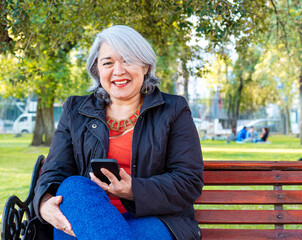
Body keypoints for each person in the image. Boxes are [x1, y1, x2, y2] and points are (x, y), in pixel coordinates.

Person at [33, 25, 204, 240]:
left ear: (145, 66)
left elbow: (188, 181)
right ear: (97, 70)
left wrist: (133, 190)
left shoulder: (173, 110)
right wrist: (44, 203)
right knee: (74, 186)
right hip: (85, 216)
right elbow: (55, 170)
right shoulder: (75, 111)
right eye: (108, 63)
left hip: (155, 218)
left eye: (128, 60)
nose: (118, 70)